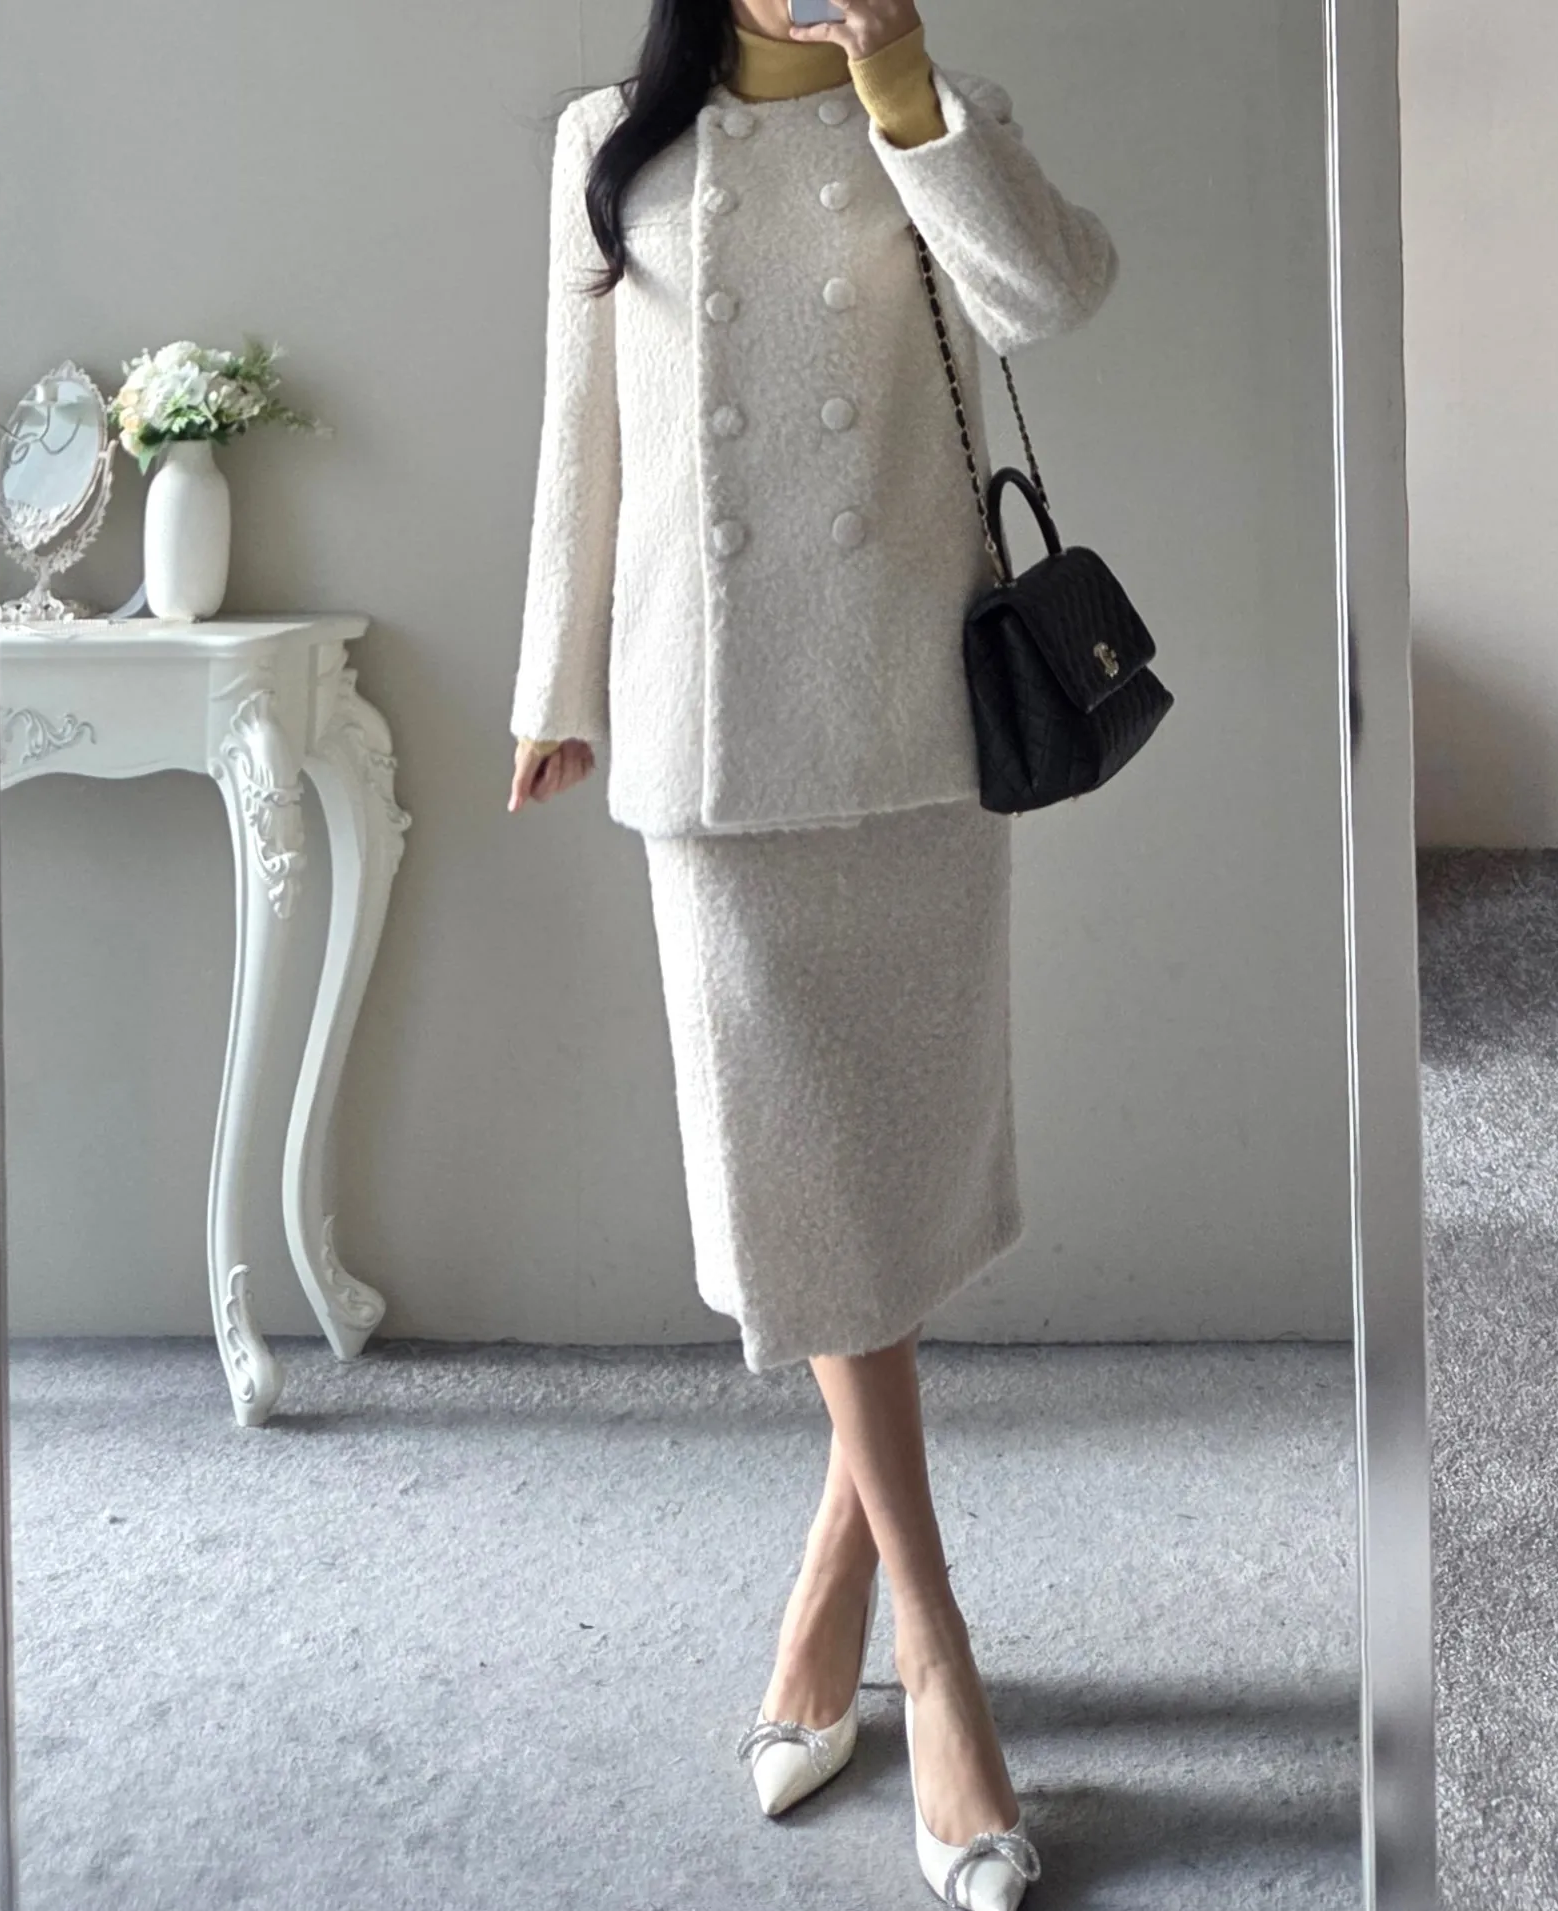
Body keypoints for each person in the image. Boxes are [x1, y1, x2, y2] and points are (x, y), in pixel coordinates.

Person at [506, 3, 1116, 1903]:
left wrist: (904, 90)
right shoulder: (610, 142)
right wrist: (553, 684)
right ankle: (934, 1647)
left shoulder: (930, 112)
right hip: (709, 736)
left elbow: (1049, 298)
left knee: (888, 1183)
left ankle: (832, 1586)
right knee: (804, 1196)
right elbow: (581, 434)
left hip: (910, 730)